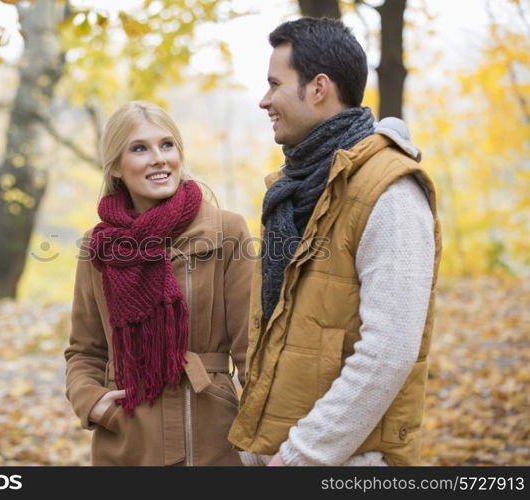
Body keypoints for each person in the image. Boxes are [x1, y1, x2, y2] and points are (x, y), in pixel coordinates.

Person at [229, 17, 442, 466]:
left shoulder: (390, 192)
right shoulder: (294, 190)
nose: (263, 100)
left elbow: (389, 352)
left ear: (319, 87)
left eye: (274, 84)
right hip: (277, 452)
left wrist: (300, 457)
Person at [64, 100, 254, 465]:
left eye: (167, 145)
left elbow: (252, 347)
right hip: (128, 439)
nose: (158, 159)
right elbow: (84, 350)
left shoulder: (226, 231)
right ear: (117, 166)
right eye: (139, 148)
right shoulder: (98, 246)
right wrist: (94, 403)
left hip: (212, 435)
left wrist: (268, 435)